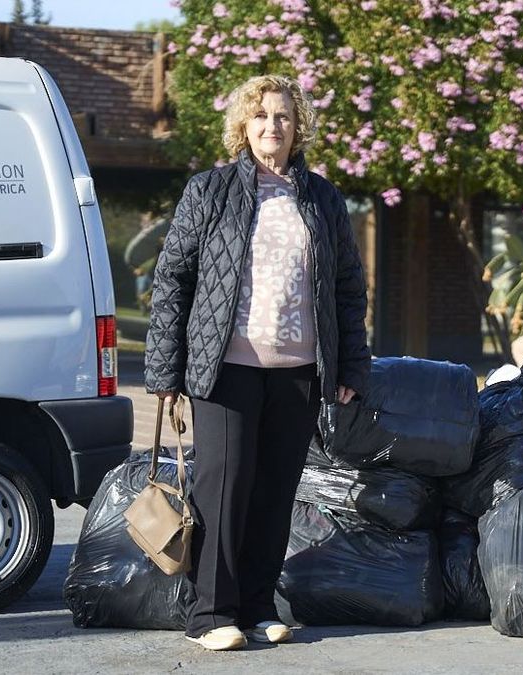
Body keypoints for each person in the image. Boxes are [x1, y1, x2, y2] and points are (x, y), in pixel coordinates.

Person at [144, 74, 370, 651]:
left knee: (275, 491)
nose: (274, 125)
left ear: (299, 127)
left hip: (298, 369)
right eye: (262, 115)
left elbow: (347, 285)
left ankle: (257, 605)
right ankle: (210, 614)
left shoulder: (322, 198)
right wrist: (166, 370)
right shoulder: (209, 190)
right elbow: (173, 280)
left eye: (285, 116)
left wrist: (351, 366)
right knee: (224, 488)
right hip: (227, 367)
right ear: (244, 126)